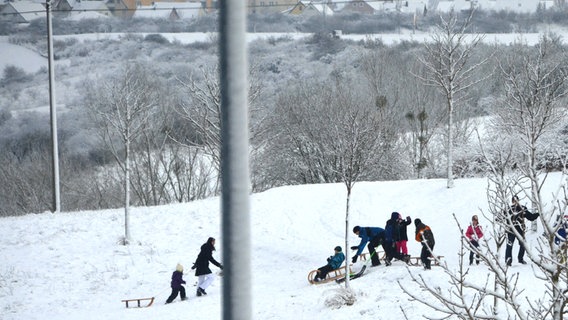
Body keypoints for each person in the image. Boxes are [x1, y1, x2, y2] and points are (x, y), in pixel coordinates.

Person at [505, 195, 539, 266]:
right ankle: (508, 260)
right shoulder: (508, 209)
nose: (515, 202)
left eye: (516, 201)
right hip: (510, 229)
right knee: (509, 245)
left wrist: (538, 214)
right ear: (512, 201)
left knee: (523, 244)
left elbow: (531, 217)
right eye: (514, 201)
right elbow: (501, 217)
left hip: (519, 229)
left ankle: (520, 258)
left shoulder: (522, 208)